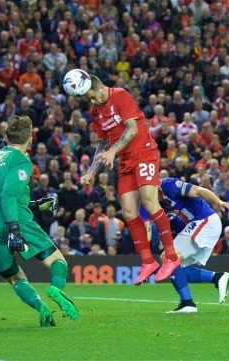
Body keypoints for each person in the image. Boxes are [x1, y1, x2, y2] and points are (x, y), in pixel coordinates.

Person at [0, 115, 78, 327]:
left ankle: (42, 308)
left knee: (14, 277)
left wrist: (36, 204)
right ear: (30, 140)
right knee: (58, 261)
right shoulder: (20, 161)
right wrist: (14, 229)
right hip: (11, 221)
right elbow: (8, 196)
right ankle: (56, 289)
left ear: (5, 137)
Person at [79, 74, 180, 284]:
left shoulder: (120, 96)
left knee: (149, 201)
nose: (91, 101)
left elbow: (132, 129)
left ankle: (171, 256)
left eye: (91, 96)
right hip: (124, 160)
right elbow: (102, 143)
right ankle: (148, 262)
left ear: (99, 88)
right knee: (128, 211)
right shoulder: (95, 110)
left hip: (144, 152)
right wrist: (91, 171)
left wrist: (113, 151)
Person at [143, 177, 229, 313]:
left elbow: (198, 190)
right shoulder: (147, 203)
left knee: (169, 258)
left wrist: (218, 202)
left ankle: (187, 302)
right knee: (175, 269)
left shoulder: (170, 185)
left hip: (204, 220)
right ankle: (216, 278)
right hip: (192, 229)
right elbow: (148, 228)